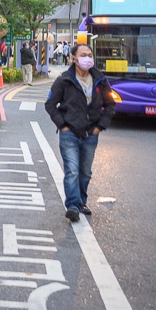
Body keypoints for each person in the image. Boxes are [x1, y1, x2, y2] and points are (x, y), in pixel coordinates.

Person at [44, 43, 116, 223]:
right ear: (73, 58)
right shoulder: (64, 80)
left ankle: (82, 201)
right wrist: (63, 126)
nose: (88, 58)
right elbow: (50, 104)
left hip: (91, 133)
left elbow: (110, 105)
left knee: (85, 172)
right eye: (83, 55)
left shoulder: (100, 80)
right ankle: (73, 206)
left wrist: (99, 127)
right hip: (69, 132)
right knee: (72, 170)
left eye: (90, 55)